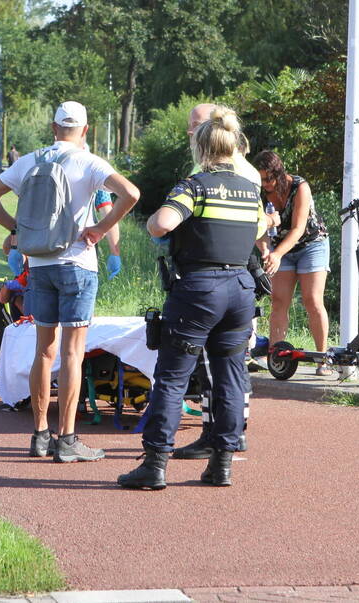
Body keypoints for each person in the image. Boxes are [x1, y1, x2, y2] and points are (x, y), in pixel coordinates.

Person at [0, 100, 139, 463]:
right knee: (71, 353)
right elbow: (131, 193)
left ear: (53, 128)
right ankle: (67, 439)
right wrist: (99, 229)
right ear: (84, 130)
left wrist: (19, 230)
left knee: (43, 350)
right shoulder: (89, 161)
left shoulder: (29, 161)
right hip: (77, 263)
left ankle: (39, 434)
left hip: (40, 265)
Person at [117, 106, 260, 490]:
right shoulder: (251, 189)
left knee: (173, 377)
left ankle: (155, 463)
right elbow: (260, 229)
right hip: (241, 290)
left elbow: (162, 223)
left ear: (202, 148)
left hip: (199, 288)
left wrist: (153, 224)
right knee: (231, 377)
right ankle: (222, 463)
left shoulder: (194, 185)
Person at [252, 150, 331, 375]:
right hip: (279, 248)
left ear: (279, 173)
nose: (266, 184)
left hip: (311, 245)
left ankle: (322, 360)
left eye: (269, 179)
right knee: (278, 301)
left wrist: (277, 254)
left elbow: (297, 229)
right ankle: (277, 358)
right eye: (261, 180)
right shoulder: (257, 192)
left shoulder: (299, 187)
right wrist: (267, 251)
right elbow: (258, 227)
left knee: (312, 299)